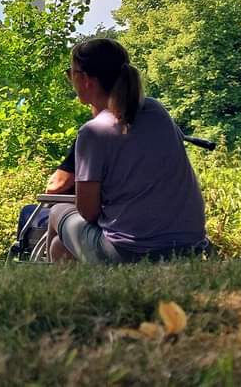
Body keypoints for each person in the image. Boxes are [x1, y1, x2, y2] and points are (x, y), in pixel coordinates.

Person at [48, 38, 207, 264]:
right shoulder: (157, 110)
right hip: (189, 248)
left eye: (70, 74)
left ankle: (57, 294)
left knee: (56, 212)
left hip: (131, 253)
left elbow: (88, 212)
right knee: (60, 247)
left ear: (84, 79)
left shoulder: (93, 133)